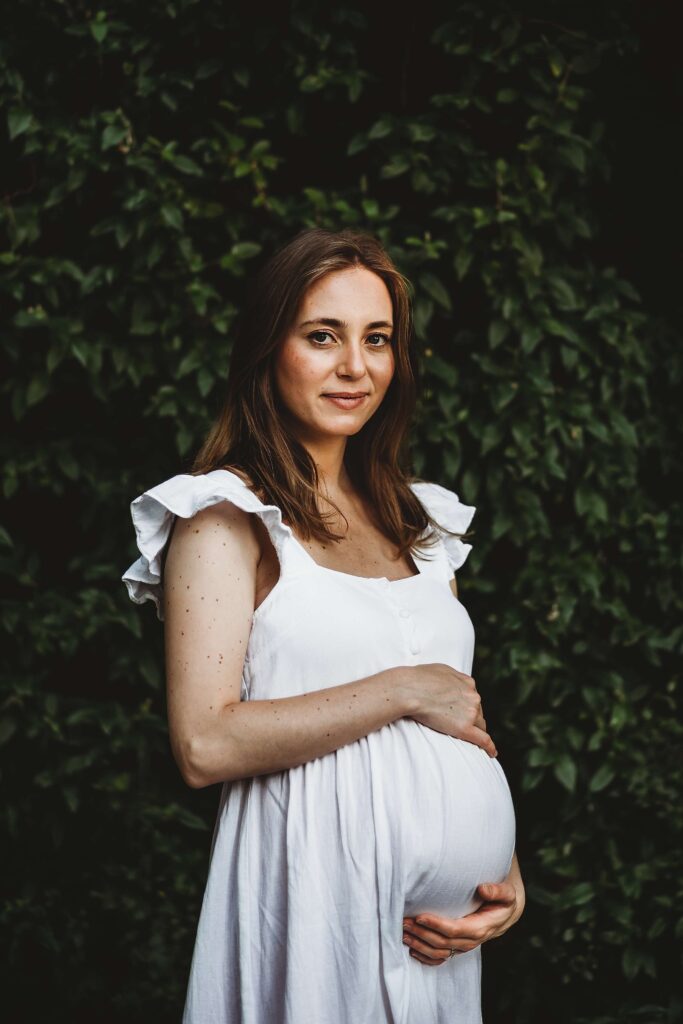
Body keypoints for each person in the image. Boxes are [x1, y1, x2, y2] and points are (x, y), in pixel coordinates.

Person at [122, 227, 525, 1023]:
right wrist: (402, 689)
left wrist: (502, 872)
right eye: (322, 337)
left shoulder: (416, 521)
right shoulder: (225, 519)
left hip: (437, 939)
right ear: (269, 348)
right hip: (312, 900)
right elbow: (203, 745)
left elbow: (457, 723)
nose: (355, 367)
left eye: (376, 340)